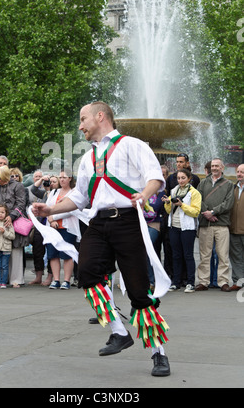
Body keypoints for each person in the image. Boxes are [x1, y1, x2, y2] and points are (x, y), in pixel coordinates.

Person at [32, 101, 170, 377]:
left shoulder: (132, 145)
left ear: (100, 116)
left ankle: (159, 353)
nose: (80, 126)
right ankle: (120, 332)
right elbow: (79, 197)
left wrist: (143, 194)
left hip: (128, 221)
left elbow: (155, 177)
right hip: (98, 222)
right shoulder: (86, 159)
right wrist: (51, 208)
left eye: (83, 119)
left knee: (138, 291)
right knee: (88, 273)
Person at [196, 158, 234, 292]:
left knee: (223, 255)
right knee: (204, 254)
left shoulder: (229, 184)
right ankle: (203, 281)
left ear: (222, 168)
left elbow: (228, 203)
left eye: (217, 166)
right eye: (212, 166)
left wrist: (213, 212)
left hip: (221, 224)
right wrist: (207, 213)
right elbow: (198, 199)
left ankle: (223, 281)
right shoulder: (203, 183)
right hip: (206, 224)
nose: (214, 168)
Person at [162, 168, 201, 293]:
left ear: (189, 179)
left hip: (188, 227)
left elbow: (195, 211)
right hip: (174, 226)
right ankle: (176, 282)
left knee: (188, 255)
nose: (180, 180)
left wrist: (182, 205)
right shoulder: (174, 191)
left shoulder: (194, 193)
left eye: (183, 178)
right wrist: (167, 203)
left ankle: (190, 282)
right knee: (176, 255)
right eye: (178, 178)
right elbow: (168, 211)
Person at [0, 165, 28, 288]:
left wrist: (11, 216)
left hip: (14, 219)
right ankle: (0, 279)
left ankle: (16, 279)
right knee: (0, 246)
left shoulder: (18, 186)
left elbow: (21, 203)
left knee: (15, 247)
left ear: (5, 177)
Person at [46, 171, 80, 290]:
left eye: (64, 177)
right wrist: (51, 221)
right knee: (53, 254)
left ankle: (66, 280)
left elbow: (71, 210)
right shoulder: (54, 192)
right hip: (52, 228)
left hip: (67, 227)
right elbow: (47, 207)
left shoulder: (74, 193)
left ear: (70, 178)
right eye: (60, 177)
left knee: (67, 254)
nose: (62, 180)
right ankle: (56, 280)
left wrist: (54, 217)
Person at [28, 174, 58, 286]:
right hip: (40, 225)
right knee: (37, 251)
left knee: (51, 251)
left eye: (54, 182)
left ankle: (50, 277)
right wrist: (41, 179)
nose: (51, 184)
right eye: (50, 182)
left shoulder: (59, 194)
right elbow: (33, 189)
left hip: (52, 225)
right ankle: (38, 276)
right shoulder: (45, 193)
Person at [228, 164, 244, 291]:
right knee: (236, 258)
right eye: (238, 172)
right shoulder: (233, 188)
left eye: (242, 172)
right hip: (234, 229)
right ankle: (238, 282)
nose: (239, 174)